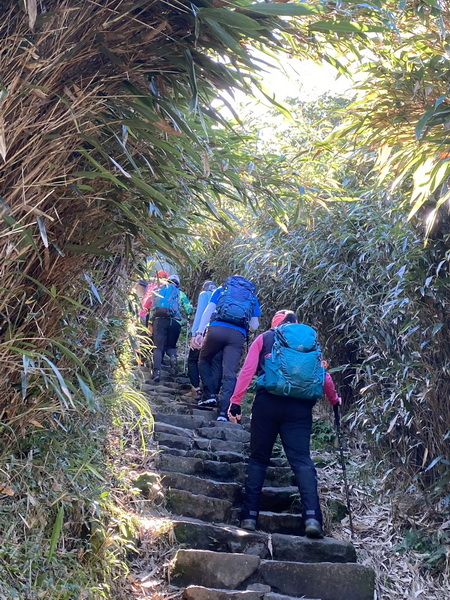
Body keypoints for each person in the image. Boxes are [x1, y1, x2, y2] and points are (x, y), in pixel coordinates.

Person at [228, 310, 342, 538]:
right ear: (296, 324)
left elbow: (248, 370)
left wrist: (235, 401)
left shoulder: (266, 338)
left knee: (259, 458)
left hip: (267, 403)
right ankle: (312, 517)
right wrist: (335, 400)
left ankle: (250, 515)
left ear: (275, 325)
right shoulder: (307, 342)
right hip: (300, 408)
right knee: (301, 461)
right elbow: (323, 374)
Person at [193, 275, 260, 421]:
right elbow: (255, 325)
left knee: (204, 359)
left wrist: (199, 332)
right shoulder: (252, 297)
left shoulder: (222, 289)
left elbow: (208, 311)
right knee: (230, 373)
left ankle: (210, 394)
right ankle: (224, 413)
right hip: (237, 336)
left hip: (216, 330)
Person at [150, 275, 192, 383]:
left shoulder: (159, 289)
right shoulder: (180, 293)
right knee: (171, 346)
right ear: (177, 284)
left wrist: (150, 322)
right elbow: (189, 309)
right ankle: (173, 359)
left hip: (159, 320)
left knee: (158, 348)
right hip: (175, 322)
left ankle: (157, 372)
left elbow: (152, 305)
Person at [187, 281, 222, 400]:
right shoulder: (221, 295)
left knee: (193, 360)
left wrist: (195, 333)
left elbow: (200, 313)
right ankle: (213, 393)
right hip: (218, 333)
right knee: (214, 363)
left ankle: (196, 389)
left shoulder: (204, 295)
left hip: (203, 332)